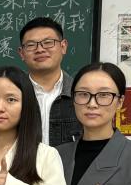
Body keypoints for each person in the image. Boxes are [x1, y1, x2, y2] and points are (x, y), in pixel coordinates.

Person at [17, 17, 82, 147]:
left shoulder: (81, 94)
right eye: (31, 45)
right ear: (21, 53)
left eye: (48, 42)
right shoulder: (12, 95)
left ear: (63, 46)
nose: (40, 49)